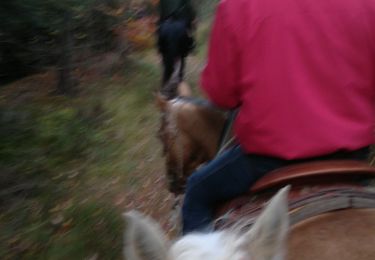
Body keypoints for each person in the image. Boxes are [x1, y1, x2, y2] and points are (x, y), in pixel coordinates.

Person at [182, 0, 375, 234]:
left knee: (196, 194)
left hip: (267, 160)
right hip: (353, 158)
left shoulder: (237, 6)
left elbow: (221, 95)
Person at [157, 0, 196, 99]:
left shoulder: (163, 3)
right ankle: (178, 90)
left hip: (166, 29)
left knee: (167, 65)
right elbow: (190, 12)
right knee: (180, 62)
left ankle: (166, 91)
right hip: (181, 27)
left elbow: (160, 14)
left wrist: (160, 49)